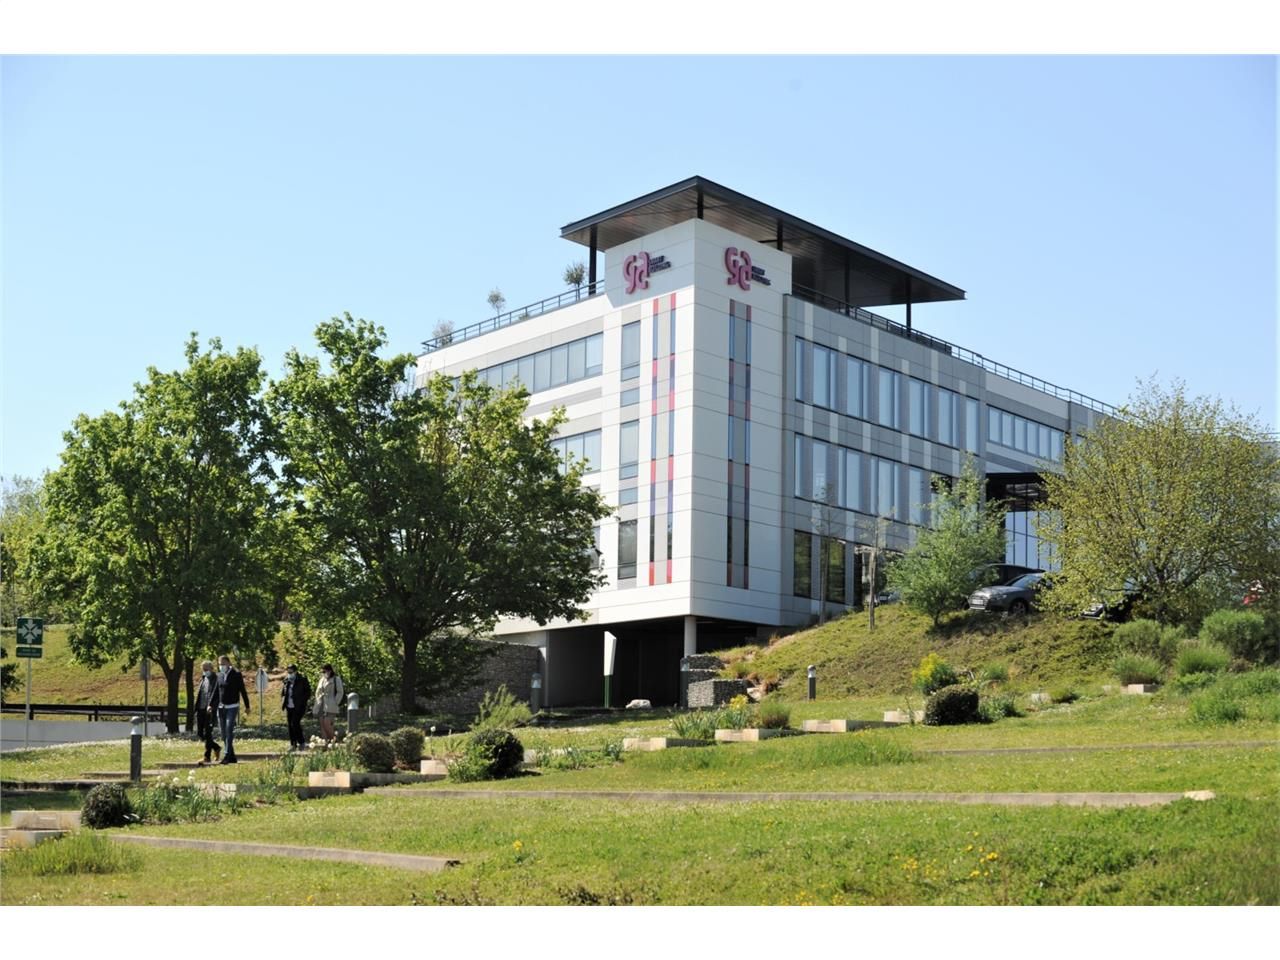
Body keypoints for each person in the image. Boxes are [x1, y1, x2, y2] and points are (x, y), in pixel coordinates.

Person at [212, 654, 252, 763]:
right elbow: (216, 691)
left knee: (229, 729)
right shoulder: (219, 675)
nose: (221, 666)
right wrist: (210, 704)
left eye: (223, 664)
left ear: (229, 663)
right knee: (223, 733)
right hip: (221, 708)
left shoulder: (236, 675)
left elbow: (242, 691)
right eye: (220, 664)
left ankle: (226, 756)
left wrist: (247, 706)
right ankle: (232, 756)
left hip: (232, 707)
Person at [195, 659, 221, 763]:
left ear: (211, 668)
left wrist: (212, 706)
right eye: (203, 669)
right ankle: (216, 747)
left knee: (208, 733)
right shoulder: (203, 679)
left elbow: (216, 695)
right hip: (200, 709)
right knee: (200, 733)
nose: (205, 671)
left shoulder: (216, 679)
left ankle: (207, 757)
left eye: (206, 669)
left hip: (209, 710)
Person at [281, 663, 311, 750]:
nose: (290, 673)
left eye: (291, 671)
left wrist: (302, 701)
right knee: (290, 725)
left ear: (295, 671)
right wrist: (284, 701)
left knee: (295, 723)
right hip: (289, 706)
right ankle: (293, 744)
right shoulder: (286, 680)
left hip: (299, 707)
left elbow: (308, 692)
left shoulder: (302, 680)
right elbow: (283, 692)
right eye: (288, 672)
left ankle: (301, 742)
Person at [314, 663, 344, 744]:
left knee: (327, 723)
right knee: (322, 725)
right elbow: (317, 691)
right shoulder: (322, 680)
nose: (323, 673)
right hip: (321, 703)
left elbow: (340, 692)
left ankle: (334, 740)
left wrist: (335, 702)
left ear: (330, 671)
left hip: (331, 704)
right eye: (322, 671)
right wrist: (318, 700)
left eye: (325, 671)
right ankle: (325, 744)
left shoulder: (336, 679)